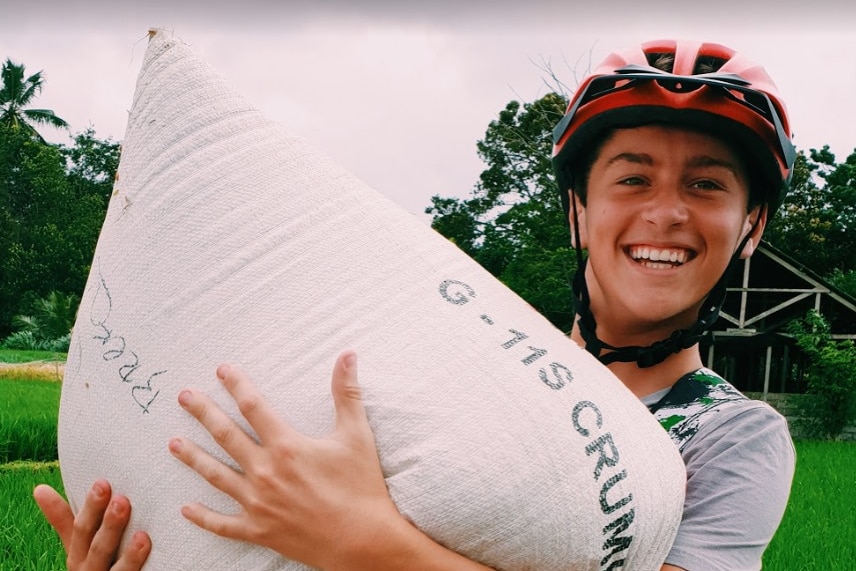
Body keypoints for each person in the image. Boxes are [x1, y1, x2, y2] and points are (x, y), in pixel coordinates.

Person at [35, 38, 796, 570]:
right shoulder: (476, 355)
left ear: (750, 224)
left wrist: (359, 542)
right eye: (632, 178)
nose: (666, 212)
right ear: (578, 210)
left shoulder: (734, 437)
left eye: (706, 184)